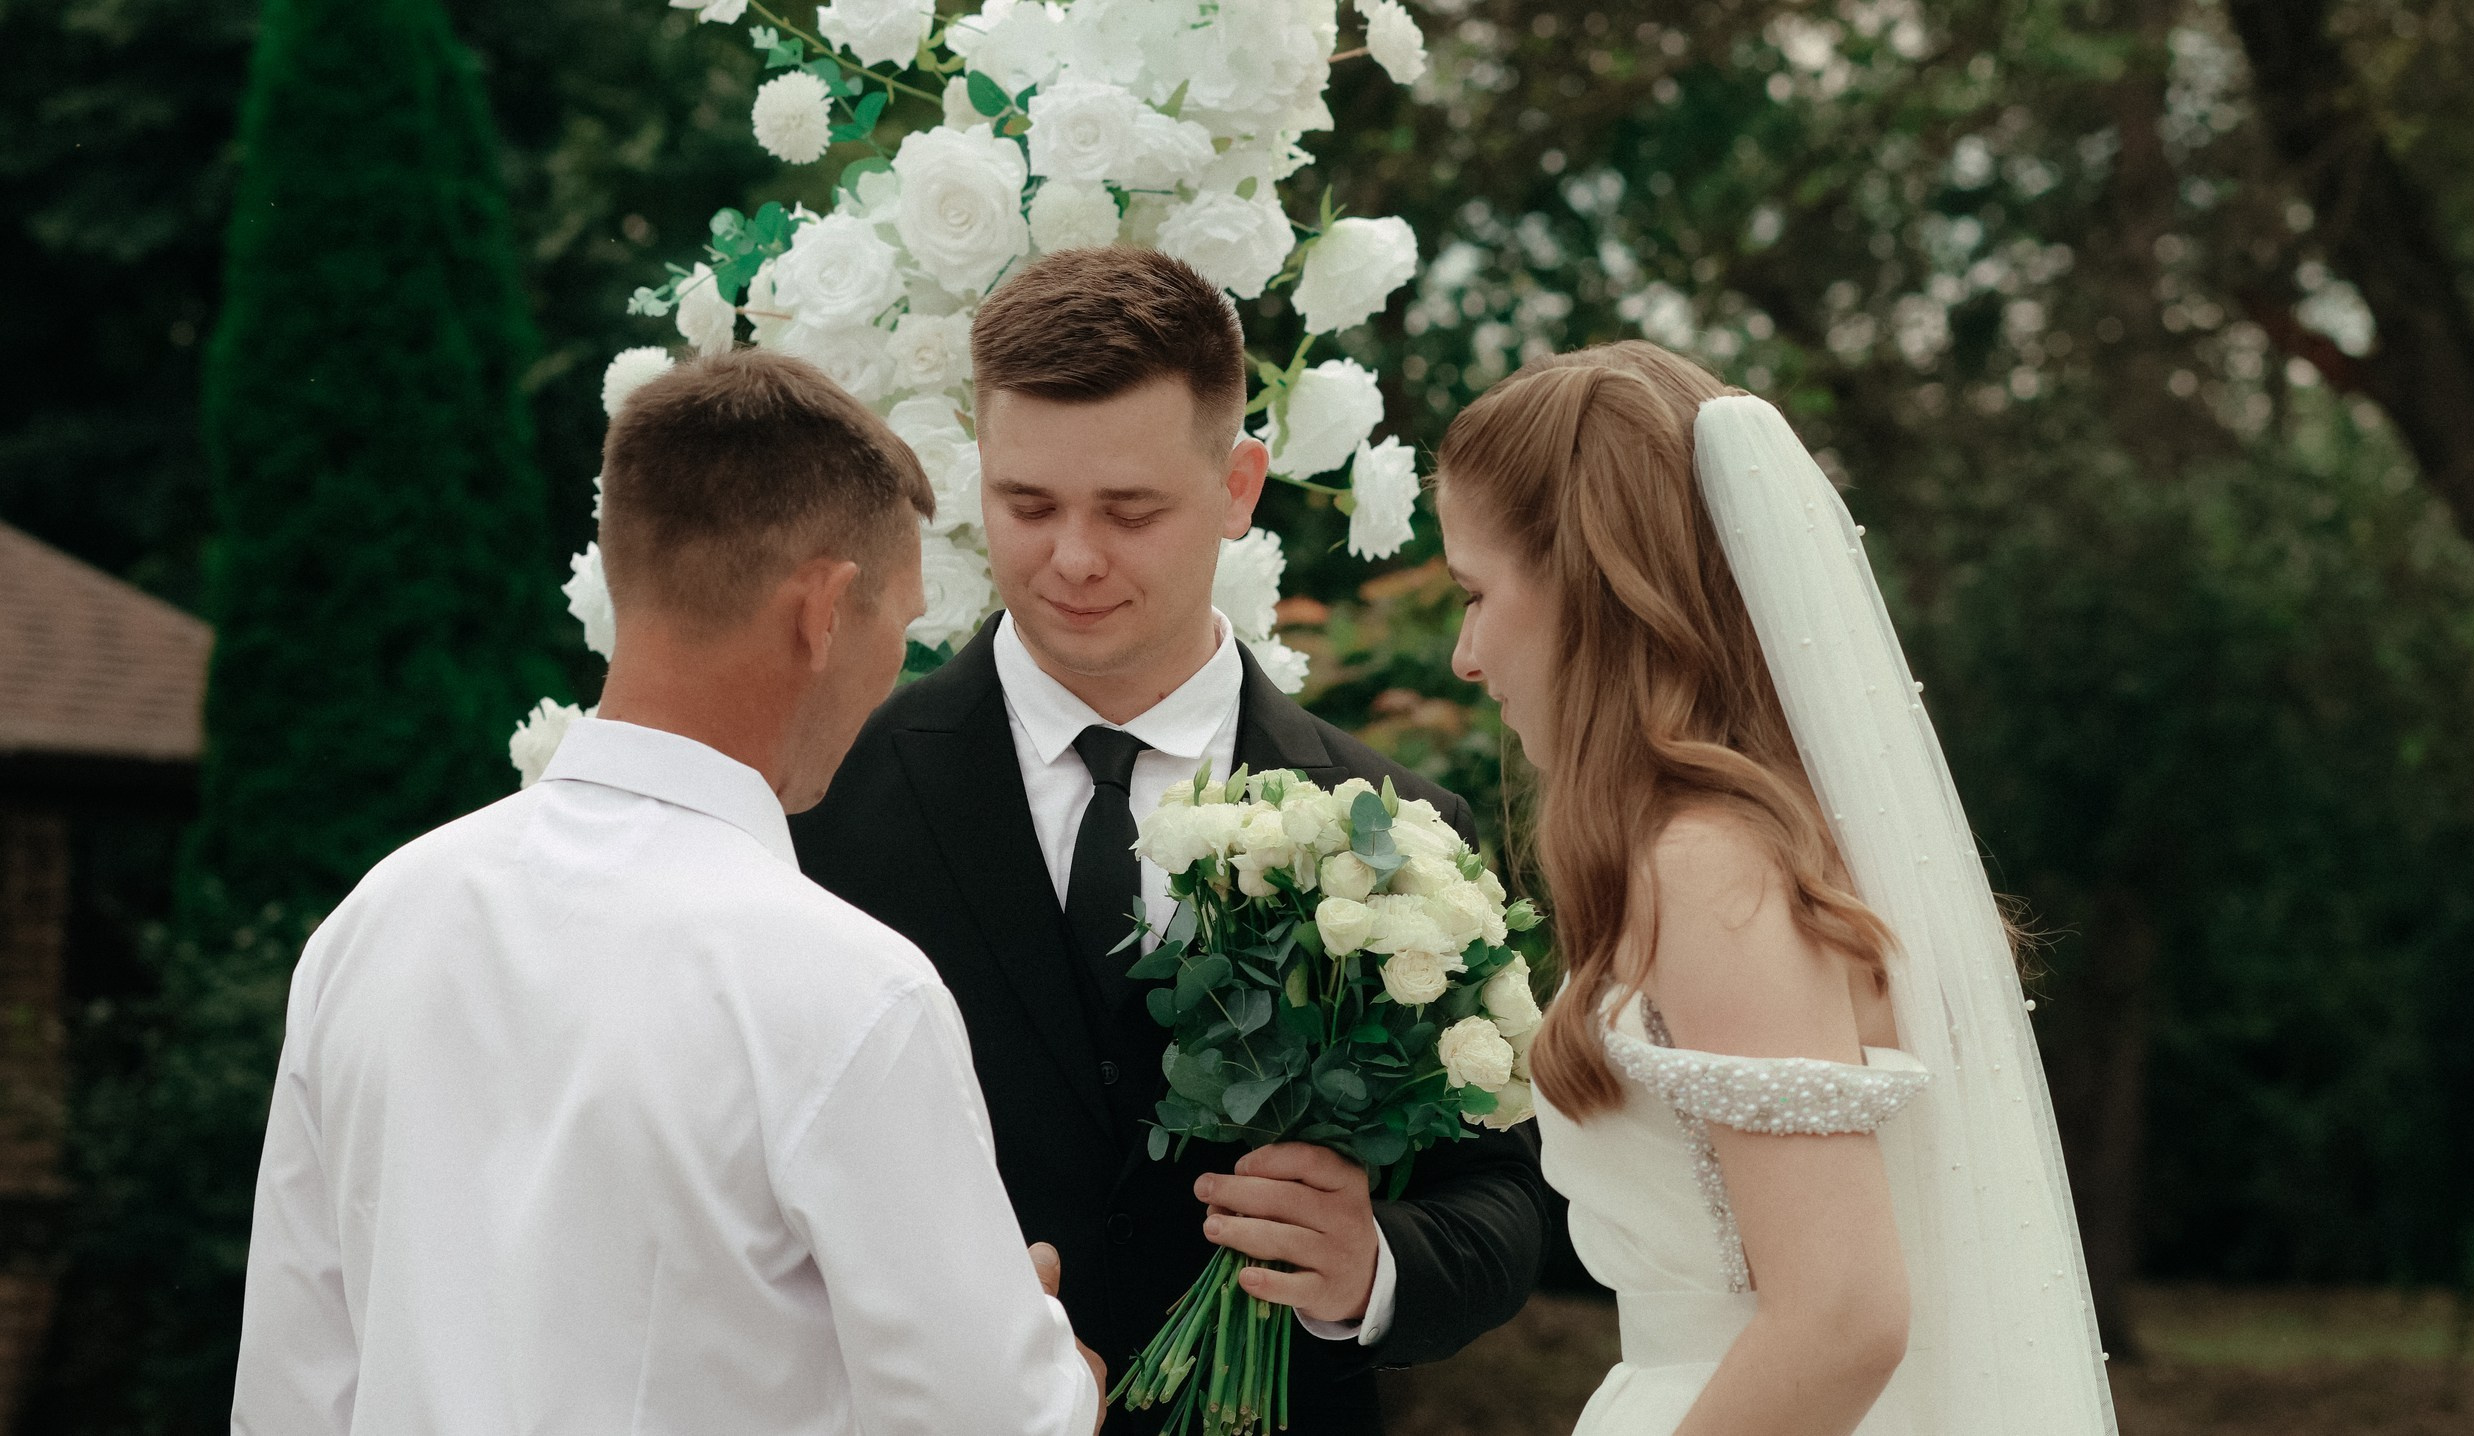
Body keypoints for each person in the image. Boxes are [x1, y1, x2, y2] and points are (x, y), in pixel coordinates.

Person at [232, 349, 1106, 1436]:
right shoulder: (849, 989)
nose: (904, 663)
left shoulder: (374, 921)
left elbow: (290, 1389)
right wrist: (1053, 1365)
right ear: (825, 610)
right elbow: (992, 1422)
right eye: (904, 623)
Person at [791, 247, 1548, 1435]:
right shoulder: (820, 803)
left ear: (1240, 484)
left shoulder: (1405, 832)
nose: (1073, 557)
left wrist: (1374, 1261)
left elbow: (1504, 1198)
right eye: (1026, 505)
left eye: (1130, 510)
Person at [1432, 341, 2118, 1436]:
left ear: (1593, 591)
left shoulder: (1709, 869)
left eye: (1475, 592)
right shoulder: (1787, 854)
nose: (1464, 654)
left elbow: (1841, 1315)